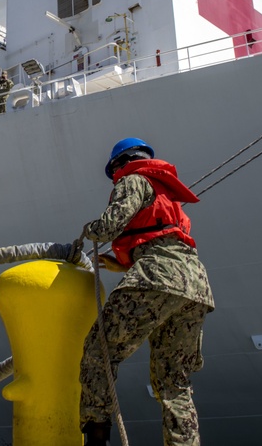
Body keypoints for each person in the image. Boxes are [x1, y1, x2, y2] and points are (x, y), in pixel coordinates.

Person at [78, 138, 214, 446]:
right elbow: (165, 241)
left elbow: (109, 225)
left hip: (155, 276)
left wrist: (89, 231)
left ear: (118, 165)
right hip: (194, 285)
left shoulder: (133, 179)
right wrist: (123, 264)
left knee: (98, 353)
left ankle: (96, 438)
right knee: (173, 381)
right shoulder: (168, 196)